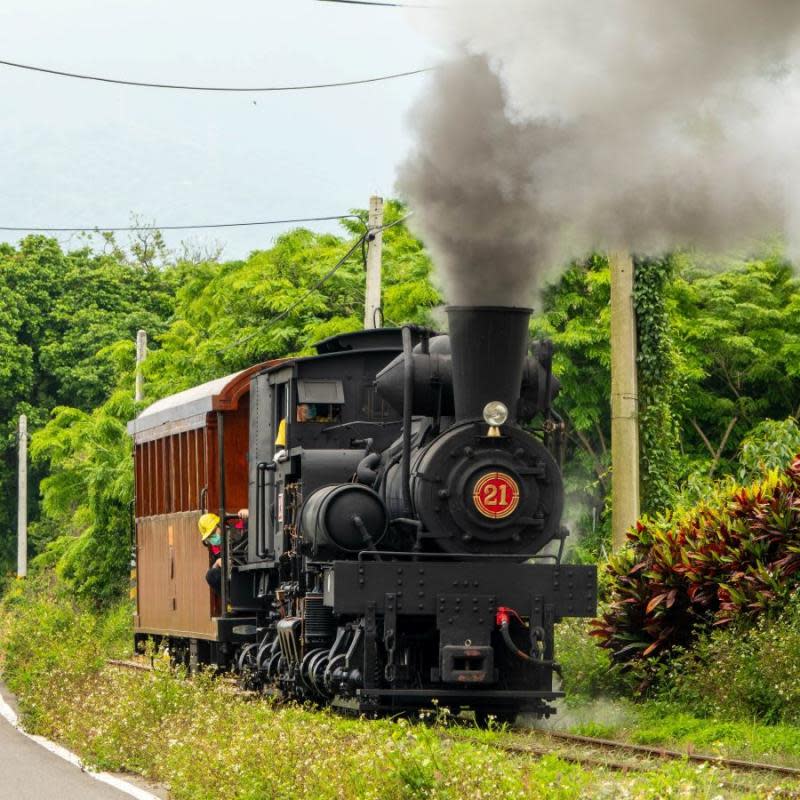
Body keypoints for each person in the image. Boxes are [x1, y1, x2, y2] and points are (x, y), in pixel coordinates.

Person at [198, 510, 250, 596]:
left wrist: (250, 513)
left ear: (222, 525)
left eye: (214, 532)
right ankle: (234, 603)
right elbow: (213, 573)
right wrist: (217, 563)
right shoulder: (217, 551)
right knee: (211, 574)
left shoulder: (243, 528)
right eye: (209, 537)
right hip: (241, 584)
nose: (213, 538)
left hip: (256, 572)